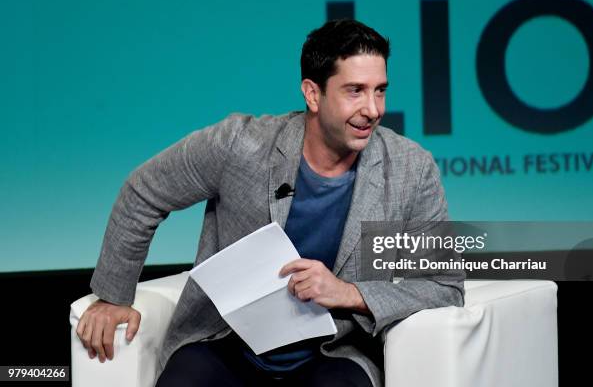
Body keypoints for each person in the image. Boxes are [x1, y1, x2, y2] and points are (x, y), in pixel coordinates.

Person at [76, 19, 465, 387]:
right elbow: (144, 191)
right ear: (313, 93)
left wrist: (349, 293)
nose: (374, 110)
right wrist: (114, 296)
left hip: (333, 354)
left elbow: (443, 284)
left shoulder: (411, 169)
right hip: (225, 341)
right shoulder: (240, 145)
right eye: (355, 91)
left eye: (380, 90)